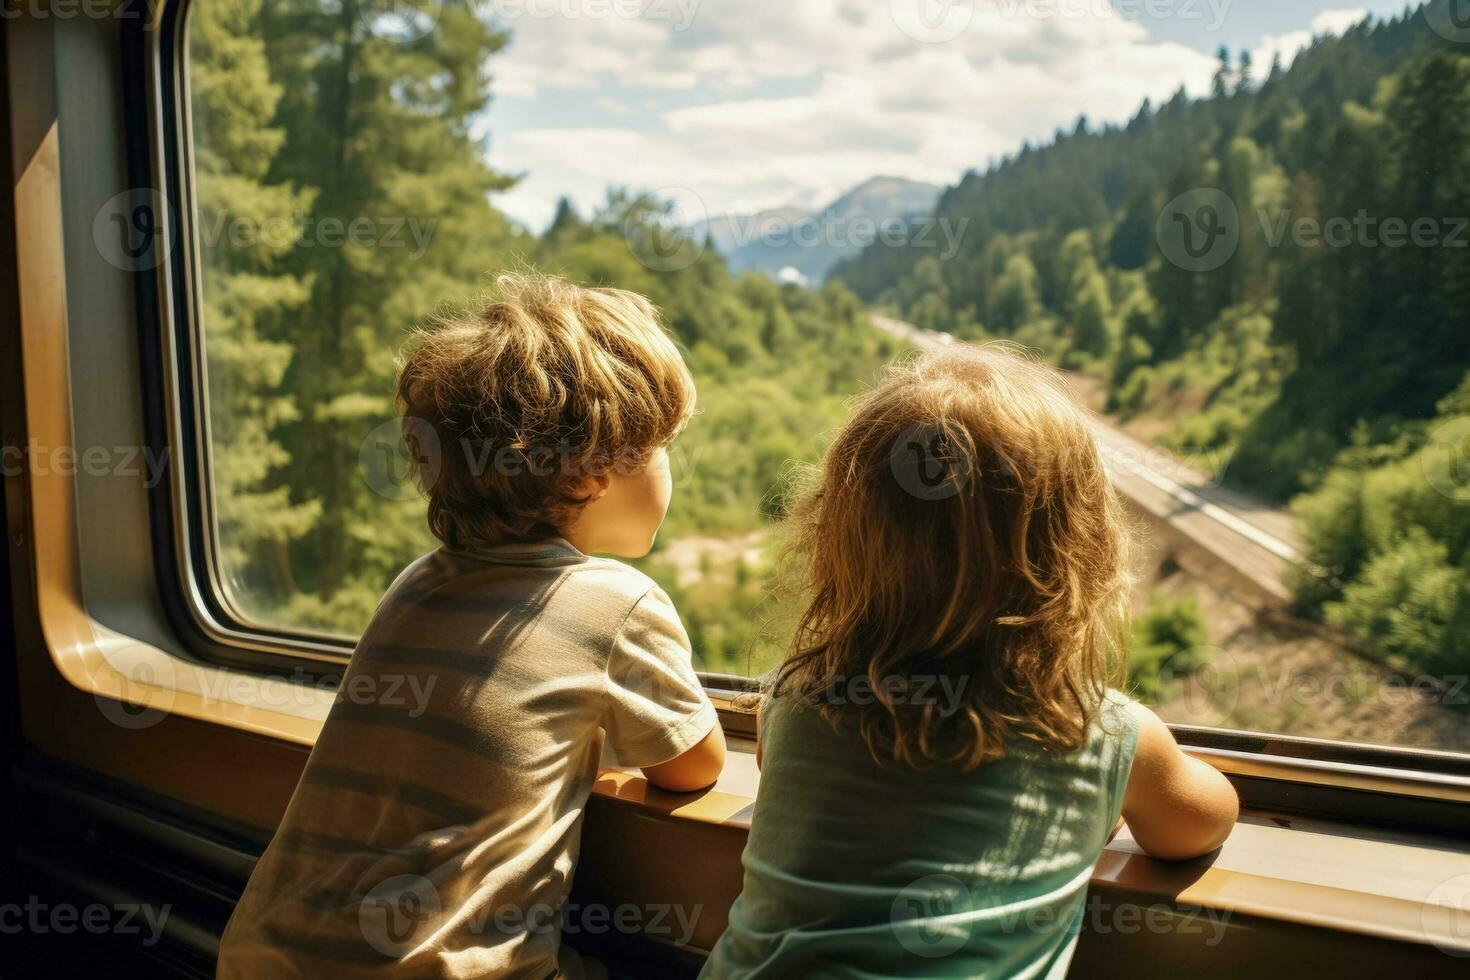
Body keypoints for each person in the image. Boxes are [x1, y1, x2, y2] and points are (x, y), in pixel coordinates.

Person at [218, 272, 725, 979]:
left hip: (262, 956)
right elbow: (694, 763)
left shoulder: (416, 585)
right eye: (666, 447)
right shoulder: (618, 604)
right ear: (599, 467)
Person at [702, 344, 1237, 978]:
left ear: (841, 542)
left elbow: (779, 768)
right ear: (1073, 553)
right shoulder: (1099, 732)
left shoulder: (801, 697)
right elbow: (1201, 823)